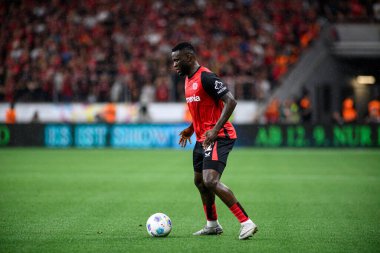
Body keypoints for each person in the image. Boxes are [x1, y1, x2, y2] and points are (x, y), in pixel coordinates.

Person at [171, 42, 257, 240]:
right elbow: (202, 111)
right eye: (173, 61)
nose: (174, 64)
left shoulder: (206, 77)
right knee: (200, 182)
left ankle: (246, 222)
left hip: (219, 136)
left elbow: (231, 101)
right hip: (202, 138)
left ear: (189, 58)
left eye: (177, 60)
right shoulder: (187, 79)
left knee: (210, 180)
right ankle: (212, 225)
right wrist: (191, 129)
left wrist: (215, 129)